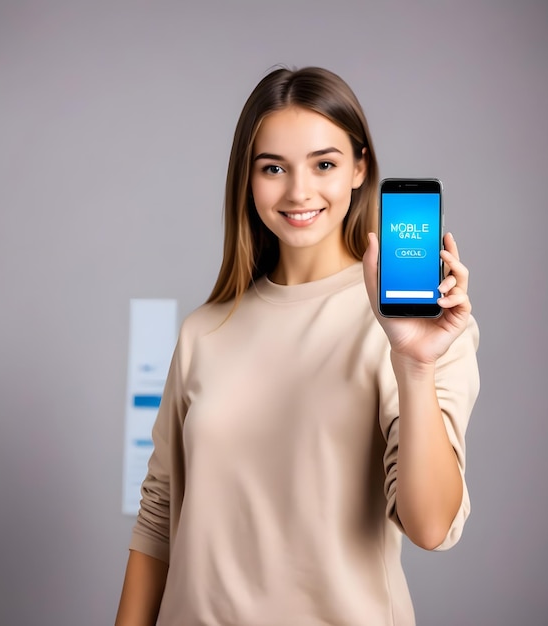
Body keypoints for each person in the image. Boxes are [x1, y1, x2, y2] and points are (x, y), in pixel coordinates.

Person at [115, 66, 480, 626]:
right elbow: (160, 515)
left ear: (360, 168)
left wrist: (414, 363)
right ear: (248, 178)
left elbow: (431, 527)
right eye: (273, 168)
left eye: (324, 164)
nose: (298, 191)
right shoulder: (202, 332)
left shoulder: (415, 331)